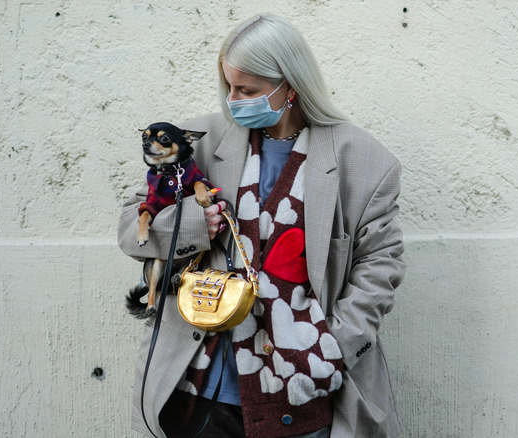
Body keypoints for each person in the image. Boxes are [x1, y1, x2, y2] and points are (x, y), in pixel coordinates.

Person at [118, 12, 405, 438]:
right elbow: (131, 228)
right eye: (229, 86)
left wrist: (333, 349)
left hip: (305, 396)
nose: (233, 99)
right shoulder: (199, 140)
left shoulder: (363, 160)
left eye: (247, 89)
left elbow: (380, 265)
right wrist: (196, 223)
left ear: (289, 86)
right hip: (198, 391)